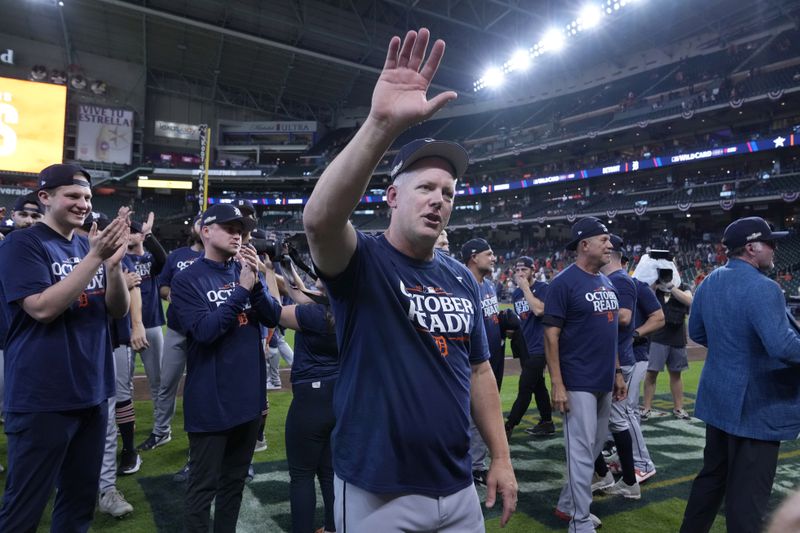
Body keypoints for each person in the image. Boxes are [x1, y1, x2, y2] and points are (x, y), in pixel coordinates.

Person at [302, 28, 517, 531]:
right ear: (393, 198)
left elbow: (481, 372)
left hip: (458, 483)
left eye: (448, 190)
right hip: (379, 490)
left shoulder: (461, 278)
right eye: (424, 187)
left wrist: (501, 457)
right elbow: (319, 220)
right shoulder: (364, 262)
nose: (439, 198)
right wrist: (381, 123)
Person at [0, 164, 130, 532]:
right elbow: (41, 308)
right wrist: (94, 258)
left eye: (87, 197)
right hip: (42, 397)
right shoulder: (22, 244)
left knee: (77, 505)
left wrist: (113, 267)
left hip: (91, 392)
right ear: (45, 197)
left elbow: (116, 309)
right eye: (73, 195)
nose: (83, 204)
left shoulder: (87, 245)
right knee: (24, 509)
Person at [680, 217, 800, 533]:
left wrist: (732, 352)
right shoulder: (764, 287)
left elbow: (697, 332)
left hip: (719, 399)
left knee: (711, 480)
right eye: (769, 242)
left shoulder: (709, 281)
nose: (775, 248)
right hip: (757, 406)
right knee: (747, 500)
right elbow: (783, 347)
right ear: (751, 248)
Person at [170, 203, 282, 532]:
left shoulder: (243, 271)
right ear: (206, 231)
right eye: (229, 227)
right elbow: (205, 332)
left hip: (248, 400)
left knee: (233, 484)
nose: (238, 234)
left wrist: (257, 283)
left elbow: (273, 317)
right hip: (210, 401)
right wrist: (242, 289)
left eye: (241, 229)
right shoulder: (187, 279)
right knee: (202, 488)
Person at [545, 217, 626, 532]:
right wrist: (558, 384)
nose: (610, 245)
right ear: (584, 245)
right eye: (604, 240)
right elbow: (551, 337)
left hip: (604, 379)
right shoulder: (563, 283)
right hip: (577, 380)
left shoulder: (605, 281)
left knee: (592, 450)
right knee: (580, 453)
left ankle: (568, 505)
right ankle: (578, 521)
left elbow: (610, 333)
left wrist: (618, 372)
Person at [280, 275, 338, 533]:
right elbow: (301, 294)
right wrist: (274, 269)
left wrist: (267, 277)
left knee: (302, 474)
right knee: (329, 471)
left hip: (311, 399)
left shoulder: (315, 315)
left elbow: (274, 310)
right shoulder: (348, 305)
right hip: (338, 396)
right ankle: (333, 527)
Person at [155, 215, 204, 482]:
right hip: (176, 328)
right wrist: (172, 294)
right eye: (199, 223)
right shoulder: (177, 256)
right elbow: (162, 284)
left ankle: (197, 444)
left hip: (203, 331)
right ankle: (161, 431)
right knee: (167, 382)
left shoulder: (216, 255)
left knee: (200, 387)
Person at [462, 237, 503, 486]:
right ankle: (468, 464)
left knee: (482, 416)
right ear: (473, 257)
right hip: (469, 362)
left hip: (491, 360)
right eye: (488, 254)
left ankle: (476, 464)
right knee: (465, 417)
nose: (493, 257)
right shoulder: (463, 285)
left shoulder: (488, 285)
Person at [127, 215, 169, 452]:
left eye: (134, 231)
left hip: (151, 324)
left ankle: (161, 428)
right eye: (129, 231)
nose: (130, 235)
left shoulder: (151, 258)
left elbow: (163, 259)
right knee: (124, 382)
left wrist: (149, 234)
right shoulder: (119, 257)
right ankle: (126, 420)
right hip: (125, 327)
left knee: (157, 380)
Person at [505, 256, 554, 439]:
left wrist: (526, 288)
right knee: (538, 386)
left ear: (533, 270)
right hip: (526, 346)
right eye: (517, 270)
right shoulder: (516, 294)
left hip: (541, 346)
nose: (520, 274)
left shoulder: (544, 288)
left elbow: (539, 310)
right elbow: (523, 319)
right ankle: (547, 422)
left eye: (524, 270)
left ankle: (509, 425)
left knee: (525, 387)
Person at [641, 258, 693, 420]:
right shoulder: (653, 288)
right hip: (658, 336)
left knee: (676, 374)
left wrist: (671, 286)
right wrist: (655, 282)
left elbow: (690, 301)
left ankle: (679, 408)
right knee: (651, 373)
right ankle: (646, 408)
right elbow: (643, 298)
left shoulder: (682, 286)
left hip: (677, 336)